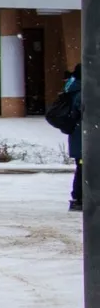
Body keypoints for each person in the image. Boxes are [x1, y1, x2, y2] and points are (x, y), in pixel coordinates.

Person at [68, 65, 84, 212]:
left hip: (79, 138)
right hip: (84, 138)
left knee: (82, 168)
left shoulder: (74, 88)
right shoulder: (82, 92)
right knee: (84, 168)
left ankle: (79, 198)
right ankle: (79, 198)